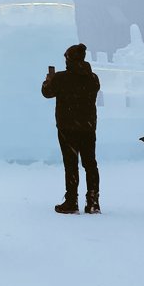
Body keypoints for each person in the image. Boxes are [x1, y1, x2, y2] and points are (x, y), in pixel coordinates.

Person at [41, 44, 101, 214]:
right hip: (88, 127)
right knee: (90, 164)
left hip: (67, 128)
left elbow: (46, 93)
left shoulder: (61, 78)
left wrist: (48, 81)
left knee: (71, 164)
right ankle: (93, 201)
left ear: (68, 59)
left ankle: (71, 200)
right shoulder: (93, 78)